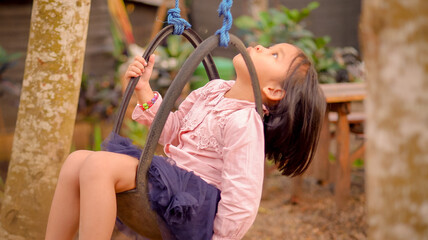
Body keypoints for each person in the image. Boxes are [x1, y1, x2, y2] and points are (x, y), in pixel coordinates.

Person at [45, 43, 326, 240]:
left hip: (193, 204)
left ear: (273, 90)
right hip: (170, 177)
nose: (263, 47)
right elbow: (173, 131)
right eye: (270, 46)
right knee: (75, 161)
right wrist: (144, 91)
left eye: (275, 55)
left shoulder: (245, 123)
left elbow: (243, 197)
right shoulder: (213, 90)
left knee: (98, 166)